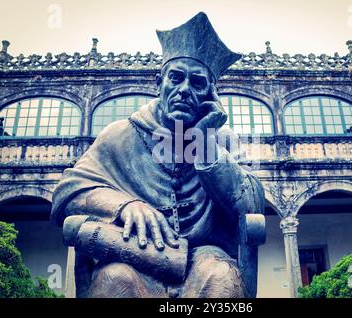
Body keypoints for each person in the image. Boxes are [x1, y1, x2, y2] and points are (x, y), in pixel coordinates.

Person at [50, 12, 265, 298]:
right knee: (114, 279)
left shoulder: (221, 140)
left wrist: (204, 141)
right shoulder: (120, 135)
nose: (184, 90)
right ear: (159, 82)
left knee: (222, 277)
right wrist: (124, 205)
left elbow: (251, 204)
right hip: (135, 255)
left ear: (211, 95)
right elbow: (67, 192)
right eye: (176, 78)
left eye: (198, 83)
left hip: (204, 259)